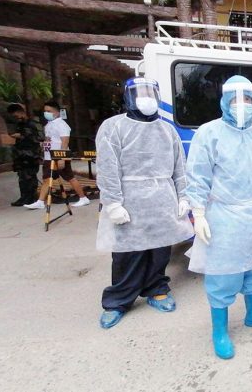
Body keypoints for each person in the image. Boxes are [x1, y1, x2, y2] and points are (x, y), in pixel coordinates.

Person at [185, 75, 252, 360]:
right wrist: (199, 212)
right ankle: (219, 331)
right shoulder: (209, 132)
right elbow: (198, 175)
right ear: (225, 102)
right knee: (223, 275)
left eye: (248, 100)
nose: (243, 106)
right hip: (225, 215)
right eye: (236, 100)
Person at [95, 77, 194, 329]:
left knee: (159, 250)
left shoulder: (167, 130)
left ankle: (156, 289)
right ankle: (117, 301)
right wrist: (113, 203)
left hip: (162, 200)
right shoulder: (113, 127)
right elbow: (107, 168)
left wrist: (184, 196)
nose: (146, 98)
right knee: (128, 254)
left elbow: (179, 167)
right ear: (128, 97)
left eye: (150, 92)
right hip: (129, 200)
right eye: (140, 93)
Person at [23, 101, 91, 209]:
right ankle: (40, 201)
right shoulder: (49, 125)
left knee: (69, 177)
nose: (46, 113)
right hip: (49, 156)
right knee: (47, 179)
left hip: (58, 156)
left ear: (57, 112)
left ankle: (83, 198)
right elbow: (50, 139)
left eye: (49, 111)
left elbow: (65, 141)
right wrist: (44, 144)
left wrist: (62, 158)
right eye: (45, 111)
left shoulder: (62, 125)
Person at [7, 103, 43, 206]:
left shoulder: (33, 123)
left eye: (16, 115)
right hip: (21, 156)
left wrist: (22, 136)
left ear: (22, 112)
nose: (16, 117)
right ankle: (24, 197)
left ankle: (32, 198)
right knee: (22, 177)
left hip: (31, 155)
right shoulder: (20, 125)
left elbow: (40, 137)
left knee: (30, 177)